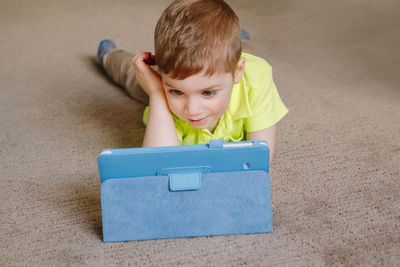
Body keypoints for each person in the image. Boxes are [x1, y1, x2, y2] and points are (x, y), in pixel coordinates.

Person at [97, 0, 288, 164]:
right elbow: (160, 164)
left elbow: (259, 161)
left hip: (240, 62)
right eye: (178, 92)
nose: (192, 110)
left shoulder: (256, 80)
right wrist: (157, 93)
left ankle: (240, 39)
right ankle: (109, 55)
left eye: (207, 93)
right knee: (133, 75)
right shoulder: (164, 85)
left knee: (247, 49)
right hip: (173, 75)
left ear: (238, 72)